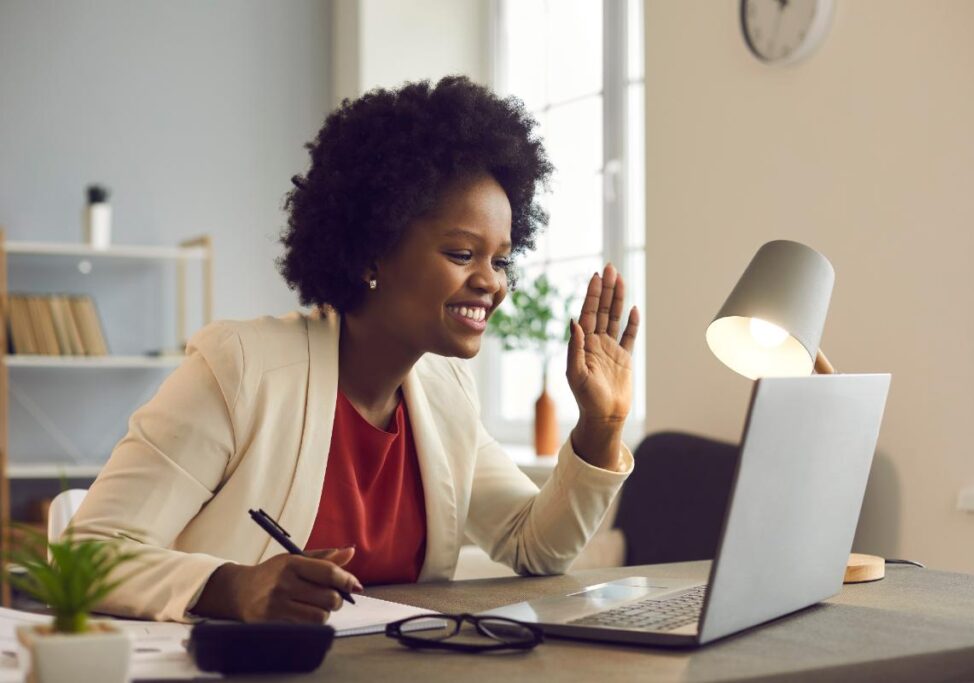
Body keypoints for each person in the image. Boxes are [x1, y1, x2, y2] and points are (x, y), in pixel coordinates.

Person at [71, 76, 641, 623]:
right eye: (462, 254)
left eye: (501, 260)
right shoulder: (242, 369)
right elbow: (85, 553)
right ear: (373, 252)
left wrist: (602, 424)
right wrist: (232, 586)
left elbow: (534, 545)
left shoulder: (446, 394)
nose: (491, 282)